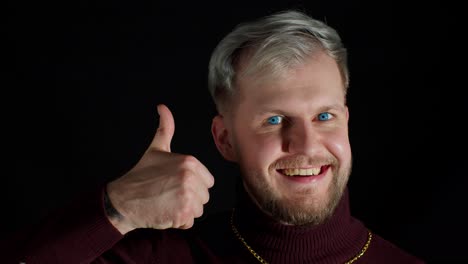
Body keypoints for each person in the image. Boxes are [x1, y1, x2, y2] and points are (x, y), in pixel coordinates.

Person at [7, 9, 424, 263]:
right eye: (275, 120)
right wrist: (119, 208)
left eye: (325, 115)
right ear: (224, 139)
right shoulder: (162, 258)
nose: (307, 144)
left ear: (347, 121)